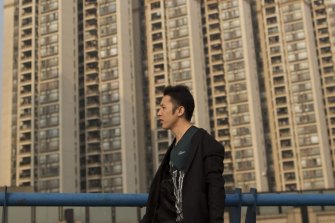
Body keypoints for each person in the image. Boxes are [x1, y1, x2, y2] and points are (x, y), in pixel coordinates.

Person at [140, 85, 225, 223]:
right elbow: (164, 196)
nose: (159, 113)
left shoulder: (205, 144)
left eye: (163, 107)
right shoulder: (173, 149)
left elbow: (215, 190)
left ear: (179, 110)